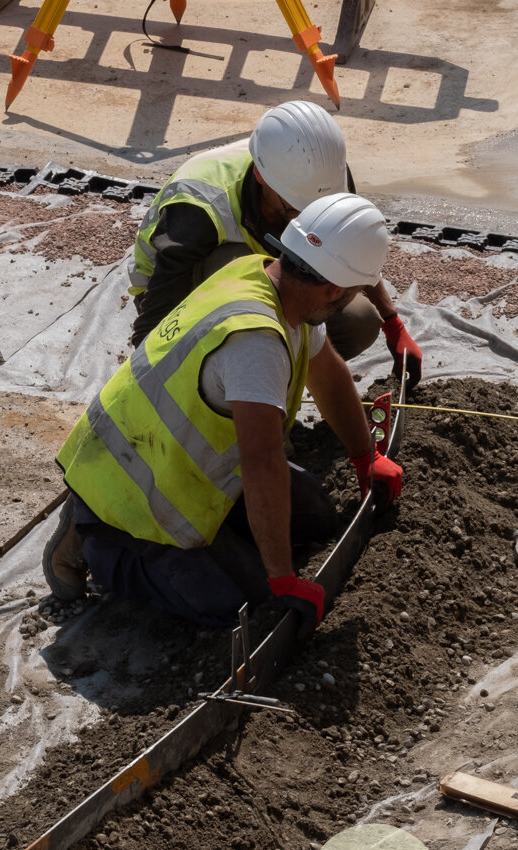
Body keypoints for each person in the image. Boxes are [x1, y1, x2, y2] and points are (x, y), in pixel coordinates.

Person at [44, 192, 406, 629]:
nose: (350, 301)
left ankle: (219, 542)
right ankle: (92, 540)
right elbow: (262, 462)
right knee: (237, 605)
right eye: (350, 293)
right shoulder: (255, 344)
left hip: (183, 462)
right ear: (331, 288)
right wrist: (282, 580)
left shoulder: (264, 275)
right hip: (133, 485)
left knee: (316, 518)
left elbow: (326, 370)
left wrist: (365, 457)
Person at [129, 100, 423, 386]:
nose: (307, 217)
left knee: (356, 321)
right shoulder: (201, 205)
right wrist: (145, 385)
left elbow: (345, 251)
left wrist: (392, 322)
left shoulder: (327, 179)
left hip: (269, 278)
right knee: (244, 276)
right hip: (182, 290)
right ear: (260, 176)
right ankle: (230, 383)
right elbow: (158, 312)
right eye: (297, 208)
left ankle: (270, 378)